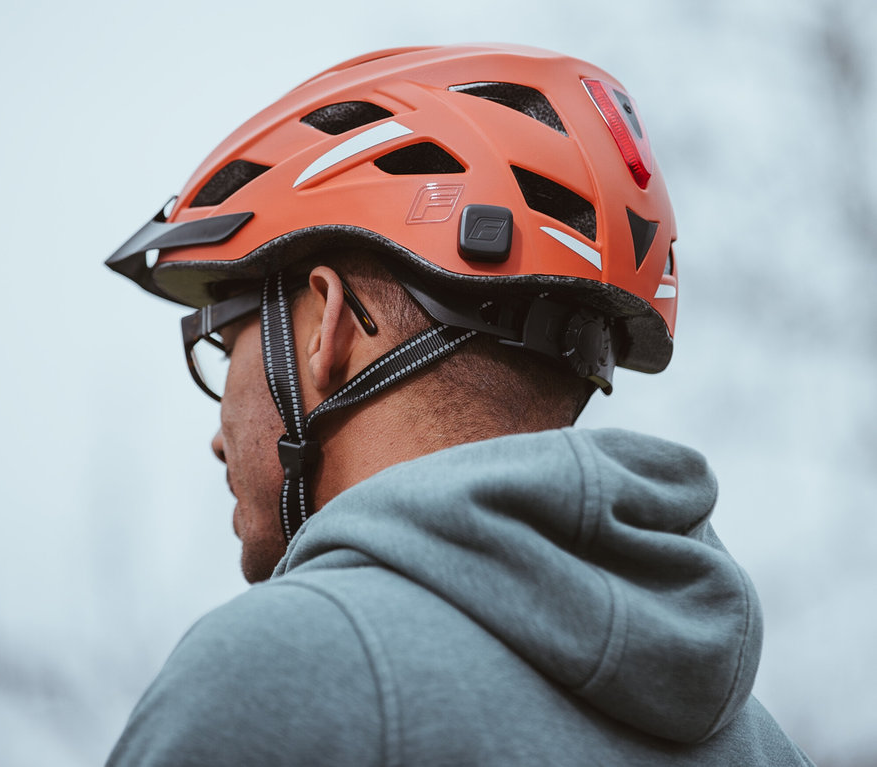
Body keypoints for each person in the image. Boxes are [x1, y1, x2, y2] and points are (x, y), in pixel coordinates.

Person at [104, 44, 814, 765]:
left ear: (328, 322)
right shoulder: (766, 746)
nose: (218, 441)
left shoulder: (277, 673)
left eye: (226, 346)